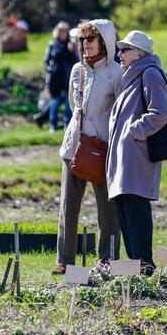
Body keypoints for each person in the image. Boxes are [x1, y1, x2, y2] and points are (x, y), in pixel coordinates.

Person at [53, 19, 123, 275]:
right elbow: (74, 106)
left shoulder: (117, 73)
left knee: (108, 210)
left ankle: (108, 259)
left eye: (91, 39)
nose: (86, 44)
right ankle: (65, 260)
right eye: (83, 40)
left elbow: (119, 111)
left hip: (103, 147)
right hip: (74, 145)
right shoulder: (76, 70)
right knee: (68, 207)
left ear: (104, 41)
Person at [107, 30, 167, 276]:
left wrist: (134, 131)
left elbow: (162, 112)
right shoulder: (131, 76)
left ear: (139, 53)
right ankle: (136, 268)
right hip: (125, 157)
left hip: (138, 156)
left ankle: (145, 268)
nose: (120, 53)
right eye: (120, 49)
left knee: (136, 209)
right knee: (125, 210)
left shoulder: (150, 73)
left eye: (125, 49)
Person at [44, 21, 79, 132]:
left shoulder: (71, 44)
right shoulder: (52, 44)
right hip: (55, 77)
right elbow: (46, 60)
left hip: (68, 77)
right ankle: (52, 124)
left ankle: (67, 124)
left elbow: (76, 61)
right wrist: (50, 70)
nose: (63, 34)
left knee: (68, 102)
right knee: (55, 101)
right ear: (57, 33)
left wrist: (72, 51)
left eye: (65, 32)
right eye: (61, 32)